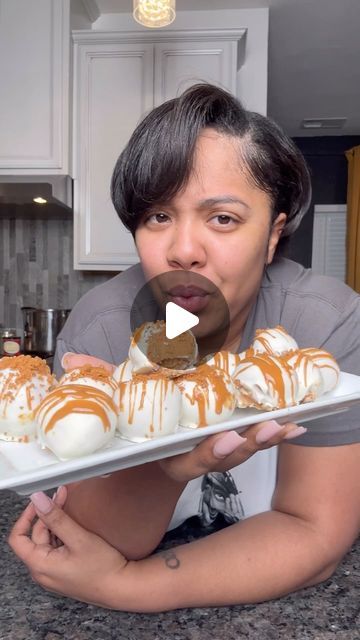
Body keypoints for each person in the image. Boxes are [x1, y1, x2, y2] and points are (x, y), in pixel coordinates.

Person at [8, 84, 360, 612]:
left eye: (223, 218)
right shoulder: (104, 329)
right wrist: (164, 463)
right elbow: (89, 544)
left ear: (272, 234)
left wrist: (133, 587)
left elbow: (314, 533)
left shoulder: (322, 325)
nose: (183, 251)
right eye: (158, 217)